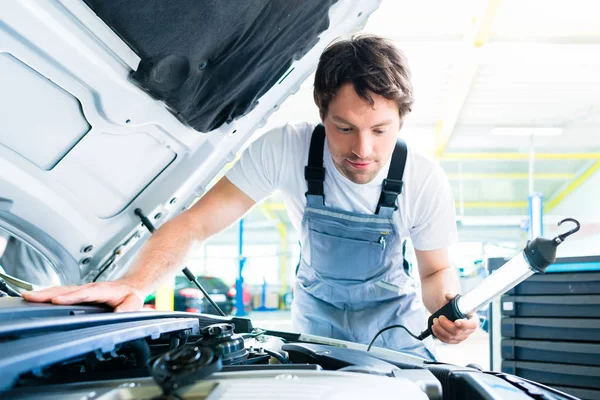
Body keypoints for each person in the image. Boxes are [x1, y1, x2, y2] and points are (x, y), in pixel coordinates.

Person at [23, 34, 478, 359]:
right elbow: (196, 222)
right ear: (321, 114)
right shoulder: (285, 149)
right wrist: (135, 283)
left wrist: (446, 310)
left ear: (402, 119)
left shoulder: (422, 178)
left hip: (396, 329)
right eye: (344, 128)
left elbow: (435, 269)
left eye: (380, 131)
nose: (363, 150)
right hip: (316, 328)